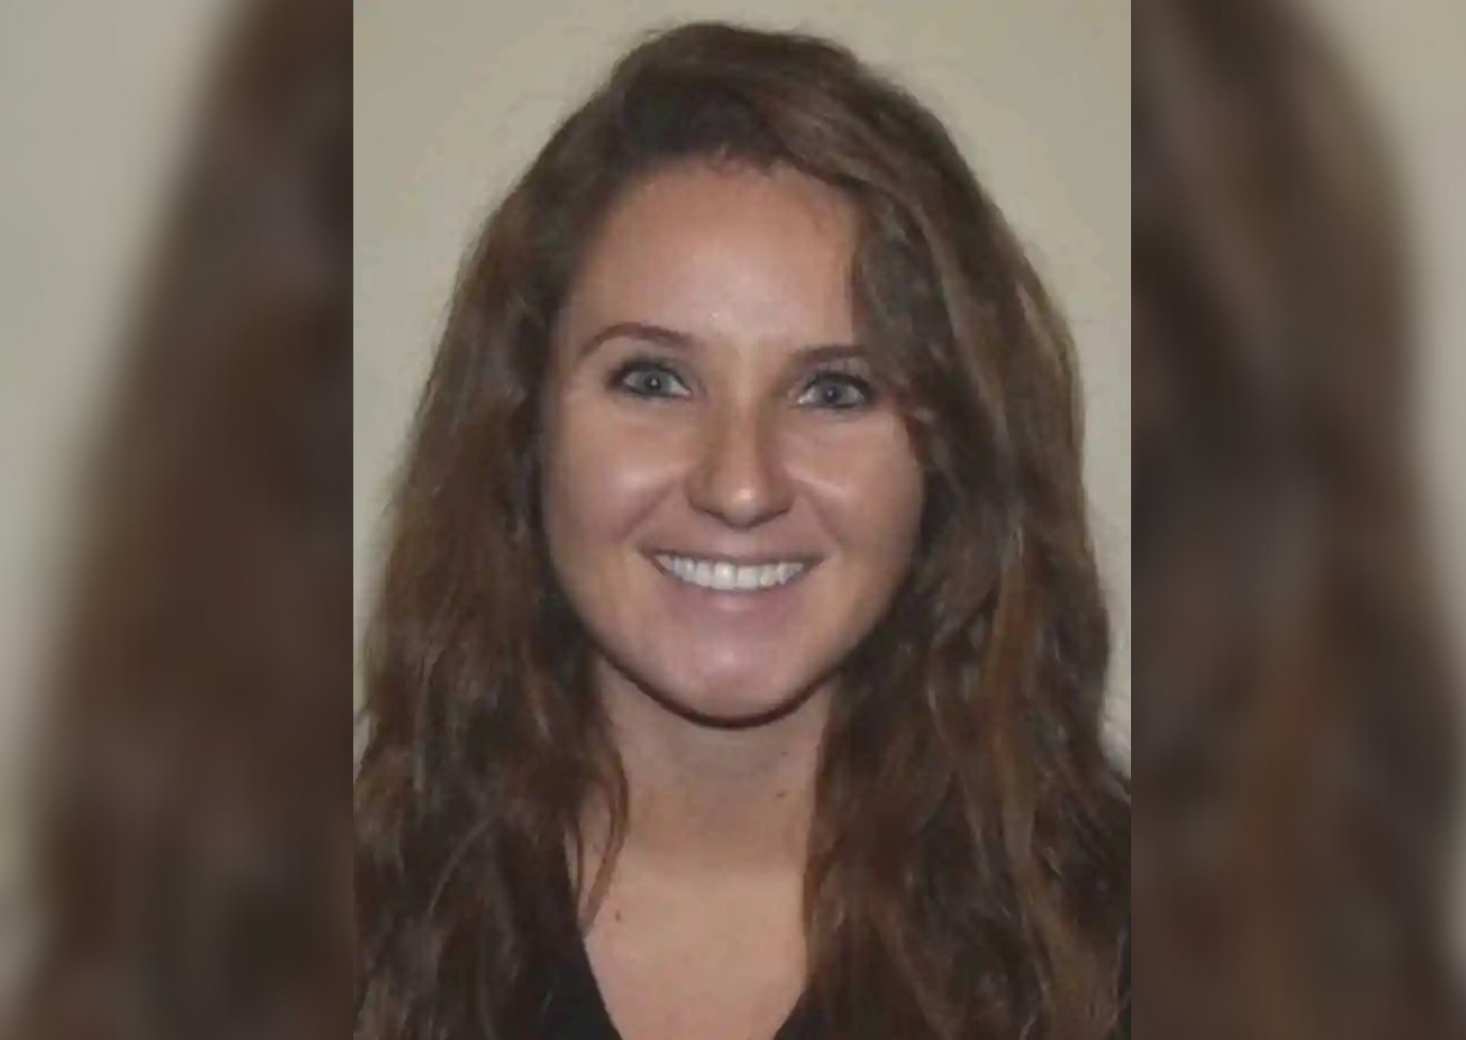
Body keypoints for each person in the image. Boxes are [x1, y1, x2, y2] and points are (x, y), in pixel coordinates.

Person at [355, 21, 1128, 1040]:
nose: (738, 482)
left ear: (946, 460)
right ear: (523, 427)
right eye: (653, 377)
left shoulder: (1123, 939)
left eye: (835, 388)